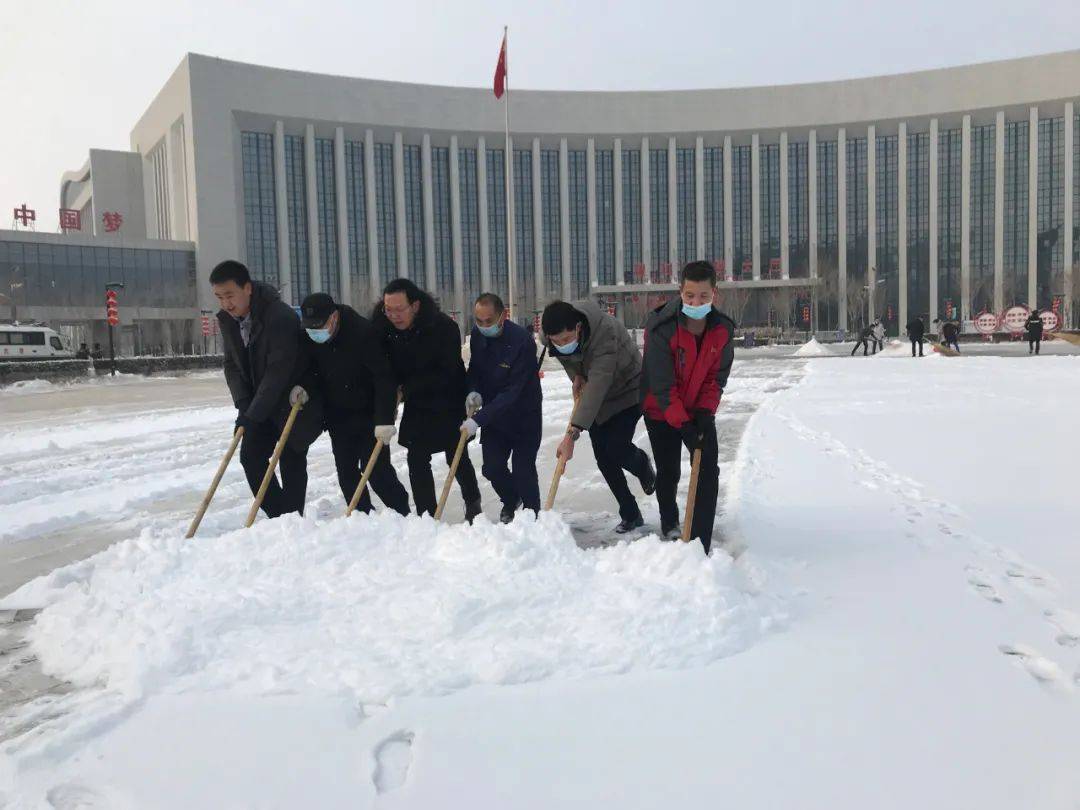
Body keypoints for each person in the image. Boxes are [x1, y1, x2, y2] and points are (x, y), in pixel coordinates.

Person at [211, 260, 323, 519]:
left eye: (230, 295)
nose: (226, 303)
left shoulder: (279, 317)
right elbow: (231, 364)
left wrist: (252, 414)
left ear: (247, 288)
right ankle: (280, 517)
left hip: (294, 399)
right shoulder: (229, 319)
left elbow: (278, 372)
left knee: (291, 459)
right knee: (250, 457)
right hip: (259, 404)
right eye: (219, 297)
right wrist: (243, 405)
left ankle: (292, 520)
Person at [640, 261, 735, 553]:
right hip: (661, 411)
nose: (696, 302)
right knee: (669, 472)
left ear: (714, 294)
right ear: (680, 291)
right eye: (690, 295)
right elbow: (662, 385)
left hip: (698, 410)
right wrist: (683, 425)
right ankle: (670, 523)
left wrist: (705, 413)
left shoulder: (722, 330)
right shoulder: (661, 328)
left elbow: (716, 378)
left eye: (703, 296)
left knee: (707, 470)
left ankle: (699, 540)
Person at [541, 299, 656, 534]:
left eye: (566, 339)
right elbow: (570, 361)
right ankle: (630, 514)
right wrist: (576, 375)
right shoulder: (549, 338)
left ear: (578, 328)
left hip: (628, 388)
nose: (562, 344)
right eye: (556, 341)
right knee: (604, 459)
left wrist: (571, 435)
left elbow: (599, 382)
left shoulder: (605, 333)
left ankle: (642, 464)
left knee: (616, 447)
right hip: (595, 393)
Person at [373, 278, 482, 521]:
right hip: (417, 403)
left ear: (415, 306)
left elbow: (445, 371)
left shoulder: (443, 327)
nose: (393, 316)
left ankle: (473, 502)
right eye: (388, 309)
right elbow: (382, 367)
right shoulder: (383, 327)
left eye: (399, 309)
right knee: (416, 456)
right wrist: (391, 394)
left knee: (457, 454)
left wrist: (405, 388)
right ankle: (426, 514)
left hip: (448, 396)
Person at [298, 292, 410, 516]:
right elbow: (310, 369)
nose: (315, 332)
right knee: (346, 473)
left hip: (369, 413)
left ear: (334, 317)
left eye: (319, 326)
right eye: (310, 328)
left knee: (377, 472)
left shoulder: (363, 333)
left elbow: (383, 378)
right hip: (337, 414)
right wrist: (303, 387)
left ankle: (402, 514)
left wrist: (384, 420)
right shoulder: (309, 335)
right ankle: (362, 517)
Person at [461, 293, 542, 523]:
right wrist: (473, 390)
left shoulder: (522, 342)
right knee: (492, 468)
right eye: (479, 321)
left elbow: (513, 392)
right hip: (495, 418)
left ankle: (533, 517)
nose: (484, 326)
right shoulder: (477, 335)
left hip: (524, 414)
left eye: (489, 320)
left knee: (523, 470)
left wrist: (478, 419)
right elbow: (475, 368)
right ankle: (510, 499)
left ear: (503, 315)